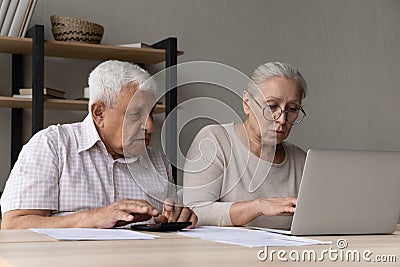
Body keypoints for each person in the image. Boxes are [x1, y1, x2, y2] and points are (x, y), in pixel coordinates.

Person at [1, 60, 197, 229]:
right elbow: (14, 225)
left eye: (151, 113)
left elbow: (168, 223)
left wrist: (177, 217)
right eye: (136, 114)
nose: (150, 126)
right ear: (99, 113)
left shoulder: (157, 161)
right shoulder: (52, 146)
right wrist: (92, 217)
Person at [183, 62, 307, 229]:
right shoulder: (216, 140)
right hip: (224, 254)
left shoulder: (300, 160)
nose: (282, 119)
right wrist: (260, 206)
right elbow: (194, 211)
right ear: (247, 103)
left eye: (292, 109)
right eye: (271, 106)